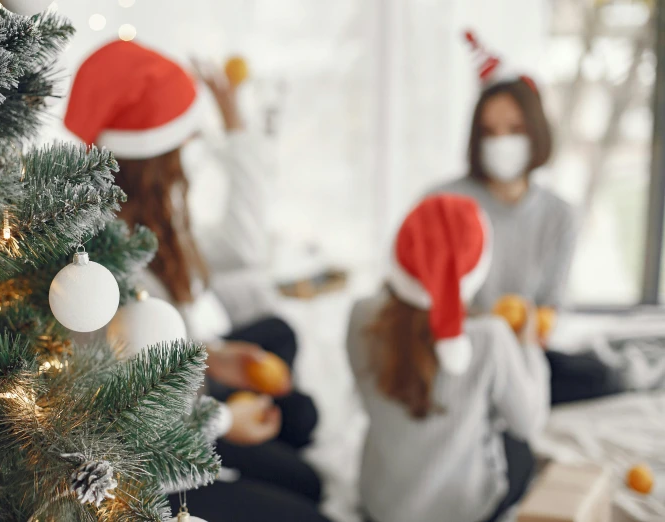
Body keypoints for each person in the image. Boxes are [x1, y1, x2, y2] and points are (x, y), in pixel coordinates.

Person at [64, 41, 325, 521]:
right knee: (309, 501)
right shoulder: (106, 267)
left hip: (182, 408)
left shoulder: (150, 225)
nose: (190, 155)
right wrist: (227, 420)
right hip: (147, 478)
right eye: (184, 143)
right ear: (155, 158)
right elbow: (143, 423)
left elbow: (154, 354)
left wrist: (213, 357)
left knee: (304, 463)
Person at [432, 31, 623, 404]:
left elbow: (550, 309)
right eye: (489, 132)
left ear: (535, 132)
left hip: (522, 353)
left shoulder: (561, 216)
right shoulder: (443, 204)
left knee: (600, 376)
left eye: (515, 130)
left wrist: (526, 331)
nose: (502, 141)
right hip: (456, 350)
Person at [347, 194, 550, 522]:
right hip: (465, 512)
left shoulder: (360, 318)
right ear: (477, 267)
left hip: (381, 507)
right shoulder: (490, 337)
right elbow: (530, 423)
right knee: (519, 447)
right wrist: (528, 347)